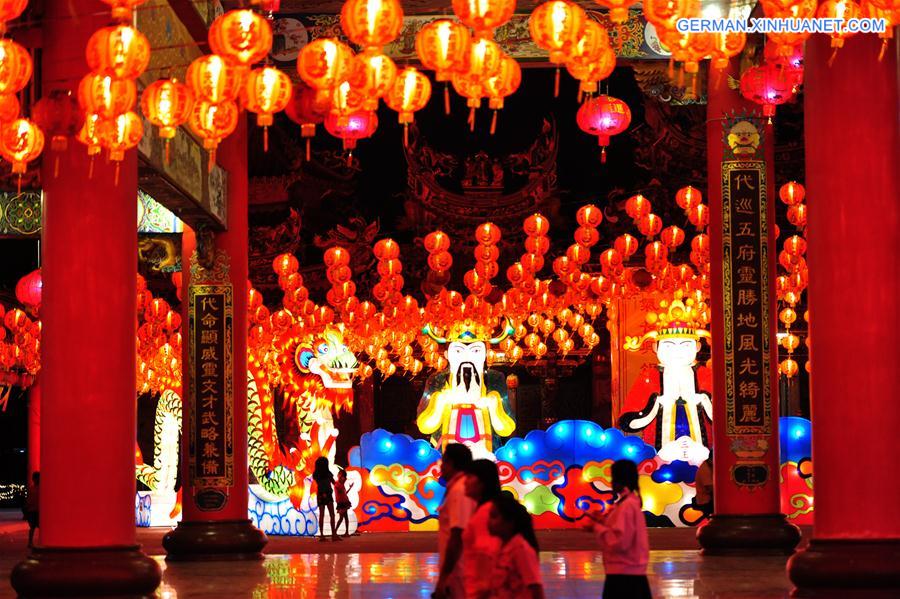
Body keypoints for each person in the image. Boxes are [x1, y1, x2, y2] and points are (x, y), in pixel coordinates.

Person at [585, 459, 652, 599]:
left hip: (624, 578)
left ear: (619, 480)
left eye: (613, 478)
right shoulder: (628, 503)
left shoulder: (627, 506)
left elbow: (620, 542)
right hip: (629, 574)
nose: (611, 482)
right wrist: (602, 520)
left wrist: (596, 527)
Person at [433, 443, 475, 599]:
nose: (441, 467)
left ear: (452, 464)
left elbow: (457, 536)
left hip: (459, 572)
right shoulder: (457, 487)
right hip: (457, 571)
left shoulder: (459, 490)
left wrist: (444, 577)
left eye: (444, 462)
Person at [486, 494, 545, 599]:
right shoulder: (499, 547)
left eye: (494, 516)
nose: (489, 522)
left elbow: (536, 588)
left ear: (509, 522)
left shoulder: (521, 549)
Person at [462, 459, 502, 599]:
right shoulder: (487, 508)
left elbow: (486, 554)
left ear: (482, 482)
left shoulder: (485, 512)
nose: (465, 482)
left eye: (469, 477)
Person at [312, 457, 340, 542]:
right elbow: (334, 482)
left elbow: (318, 482)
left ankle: (322, 535)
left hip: (320, 494)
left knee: (321, 515)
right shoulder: (328, 473)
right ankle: (333, 535)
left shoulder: (316, 474)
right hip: (327, 493)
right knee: (332, 514)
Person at [334, 468, 354, 537]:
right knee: (342, 518)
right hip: (341, 502)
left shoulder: (341, 484)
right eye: (340, 475)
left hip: (344, 502)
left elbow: (344, 493)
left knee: (344, 517)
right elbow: (341, 492)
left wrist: (350, 488)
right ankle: (337, 532)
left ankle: (343, 532)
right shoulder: (337, 483)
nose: (343, 478)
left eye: (343, 476)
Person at [693, 454, 714, 518]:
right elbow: (710, 487)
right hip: (706, 501)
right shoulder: (705, 469)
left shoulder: (708, 466)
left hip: (707, 500)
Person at [24, 472, 39, 548]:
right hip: (35, 510)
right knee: (33, 527)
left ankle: (30, 542)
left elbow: (28, 500)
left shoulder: (31, 489)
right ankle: (31, 542)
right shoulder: (40, 489)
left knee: (32, 527)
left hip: (33, 510)